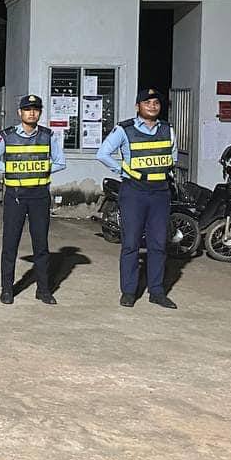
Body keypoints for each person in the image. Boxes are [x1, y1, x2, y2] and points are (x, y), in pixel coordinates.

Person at [96, 87, 180, 309]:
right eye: (147, 102)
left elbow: (172, 158)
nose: (152, 106)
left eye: (156, 103)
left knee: (158, 243)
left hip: (160, 192)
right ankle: (129, 291)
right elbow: (102, 153)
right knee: (131, 243)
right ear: (137, 106)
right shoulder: (124, 129)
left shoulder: (168, 129)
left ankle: (157, 291)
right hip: (134, 191)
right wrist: (123, 171)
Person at [0, 93, 66, 305]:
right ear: (20, 112)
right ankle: (7, 289)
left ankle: (43, 290)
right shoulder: (7, 135)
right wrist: (10, 169)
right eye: (28, 109)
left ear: (40, 113)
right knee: (10, 243)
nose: (32, 113)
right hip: (15, 196)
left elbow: (60, 162)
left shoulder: (48, 135)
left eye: (36, 109)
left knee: (41, 244)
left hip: (39, 195)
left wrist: (41, 168)